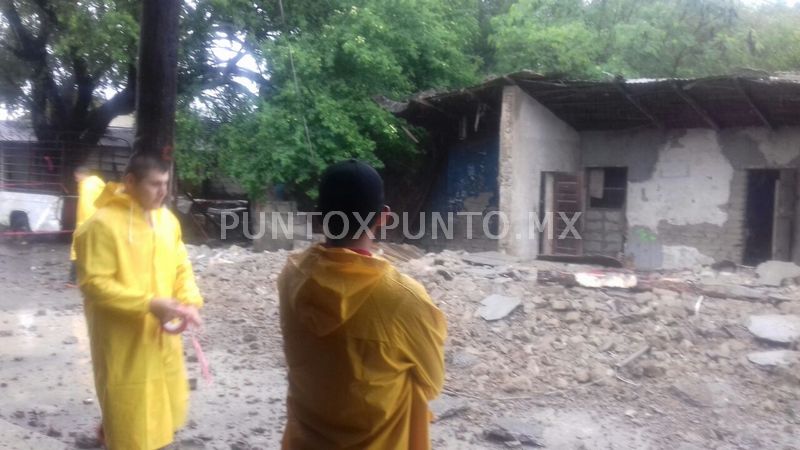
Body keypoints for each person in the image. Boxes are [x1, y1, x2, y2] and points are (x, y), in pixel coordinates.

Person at [278, 159, 447, 450]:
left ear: (318, 217)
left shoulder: (291, 277)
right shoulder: (404, 299)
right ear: (383, 217)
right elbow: (432, 381)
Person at [74, 152, 203, 450]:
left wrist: (189, 300)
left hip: (160, 335)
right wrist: (149, 304)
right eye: (155, 184)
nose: (164, 192)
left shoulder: (167, 221)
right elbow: (94, 284)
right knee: (129, 410)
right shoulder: (101, 226)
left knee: (161, 408)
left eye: (166, 183)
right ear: (130, 182)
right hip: (123, 339)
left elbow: (181, 265)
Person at [69, 166, 106, 285]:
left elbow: (86, 208)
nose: (76, 180)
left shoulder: (87, 187)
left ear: (81, 175)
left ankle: (72, 280)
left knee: (77, 251)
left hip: (86, 224)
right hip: (98, 223)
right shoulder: (98, 184)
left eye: (76, 177)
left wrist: (82, 226)